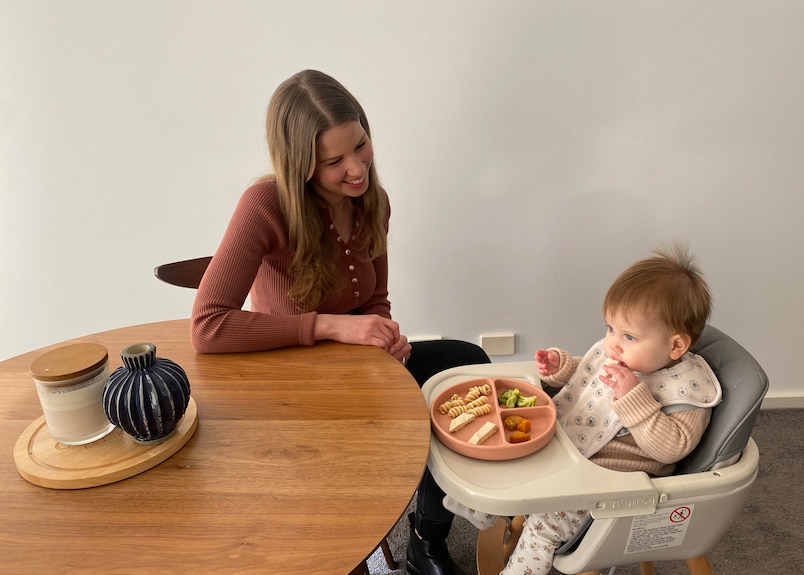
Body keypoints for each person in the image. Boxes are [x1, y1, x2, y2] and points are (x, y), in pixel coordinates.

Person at [190, 69, 489, 575]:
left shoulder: (374, 201)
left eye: (361, 145)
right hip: (291, 380)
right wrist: (330, 327)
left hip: (357, 365)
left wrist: (384, 336)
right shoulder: (265, 206)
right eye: (334, 161)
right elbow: (207, 327)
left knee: (464, 366)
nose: (357, 169)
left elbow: (375, 297)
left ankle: (427, 538)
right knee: (343, 483)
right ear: (300, 164)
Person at [443, 244, 721, 575]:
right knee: (512, 459)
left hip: (605, 485)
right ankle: (484, 510)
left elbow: (672, 448)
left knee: (543, 527)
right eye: (610, 328)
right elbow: (586, 377)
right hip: (572, 451)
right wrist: (562, 367)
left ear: (676, 345)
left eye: (629, 336)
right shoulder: (622, 355)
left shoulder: (686, 389)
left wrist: (633, 397)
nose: (612, 343)